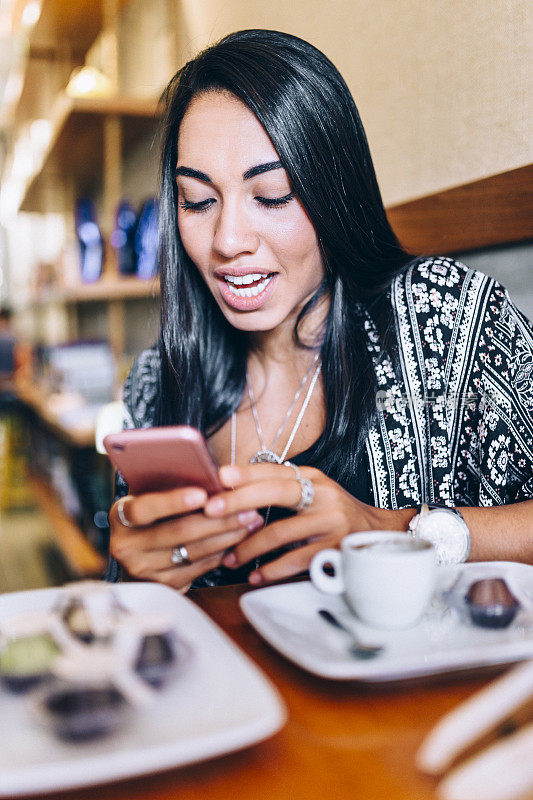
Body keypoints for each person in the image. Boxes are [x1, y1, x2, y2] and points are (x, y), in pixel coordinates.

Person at [106, 29, 533, 590]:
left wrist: (393, 531)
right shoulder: (156, 383)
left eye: (273, 194)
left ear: (332, 188)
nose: (227, 240)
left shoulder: (447, 319)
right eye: (198, 201)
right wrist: (141, 578)